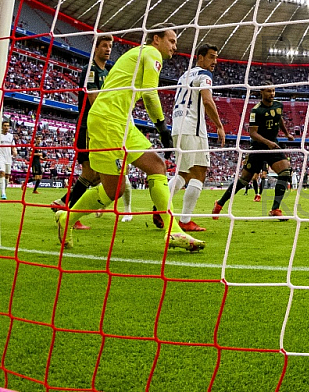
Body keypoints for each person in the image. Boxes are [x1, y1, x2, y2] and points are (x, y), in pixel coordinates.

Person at [54, 25, 205, 252]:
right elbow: (150, 93)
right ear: (156, 39)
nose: (175, 46)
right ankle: (68, 218)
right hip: (108, 120)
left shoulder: (137, 54)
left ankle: (172, 230)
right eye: (171, 41)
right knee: (113, 190)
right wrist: (162, 127)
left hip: (120, 121)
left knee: (155, 166)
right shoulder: (151, 53)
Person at [51, 35, 132, 230]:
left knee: (97, 175)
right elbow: (94, 100)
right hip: (89, 127)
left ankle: (63, 203)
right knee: (90, 173)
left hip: (99, 127)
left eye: (110, 46)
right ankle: (69, 212)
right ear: (95, 48)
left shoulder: (108, 72)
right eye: (104, 45)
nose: (108, 49)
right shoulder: (91, 70)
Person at [167, 43, 225, 233]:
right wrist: (219, 125)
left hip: (179, 125)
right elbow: (207, 100)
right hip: (192, 128)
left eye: (216, 57)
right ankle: (169, 212)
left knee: (194, 172)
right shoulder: (204, 74)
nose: (214, 61)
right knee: (188, 173)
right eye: (211, 57)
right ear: (200, 57)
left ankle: (178, 217)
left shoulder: (184, 76)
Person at [212, 86, 294, 219]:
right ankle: (220, 203)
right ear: (261, 92)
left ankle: (275, 209)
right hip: (258, 147)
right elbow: (252, 133)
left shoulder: (279, 105)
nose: (272, 93)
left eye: (273, 91)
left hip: (273, 146)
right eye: (268, 91)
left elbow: (279, 119)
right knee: (244, 180)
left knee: (285, 172)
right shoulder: (256, 111)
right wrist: (267, 142)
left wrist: (286, 133)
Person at [0, 120, 17, 200]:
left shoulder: (10, 136)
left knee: (7, 175)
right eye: (5, 126)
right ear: (2, 126)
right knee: (2, 173)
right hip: (1, 157)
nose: (6, 127)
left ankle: (4, 190)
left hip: (8, 157)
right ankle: (3, 193)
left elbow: (13, 146)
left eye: (7, 126)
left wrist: (14, 151)